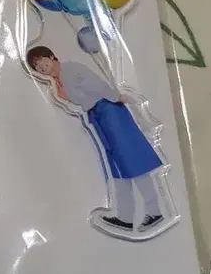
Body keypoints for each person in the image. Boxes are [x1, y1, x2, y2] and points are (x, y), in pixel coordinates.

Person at [25, 45, 165, 235]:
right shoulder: (57, 84)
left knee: (131, 158)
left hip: (109, 110)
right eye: (36, 66)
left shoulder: (72, 69)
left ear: (51, 56)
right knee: (115, 165)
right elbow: (78, 100)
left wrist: (117, 97)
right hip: (96, 116)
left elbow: (97, 85)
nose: (41, 67)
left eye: (41, 61)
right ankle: (125, 216)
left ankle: (154, 211)